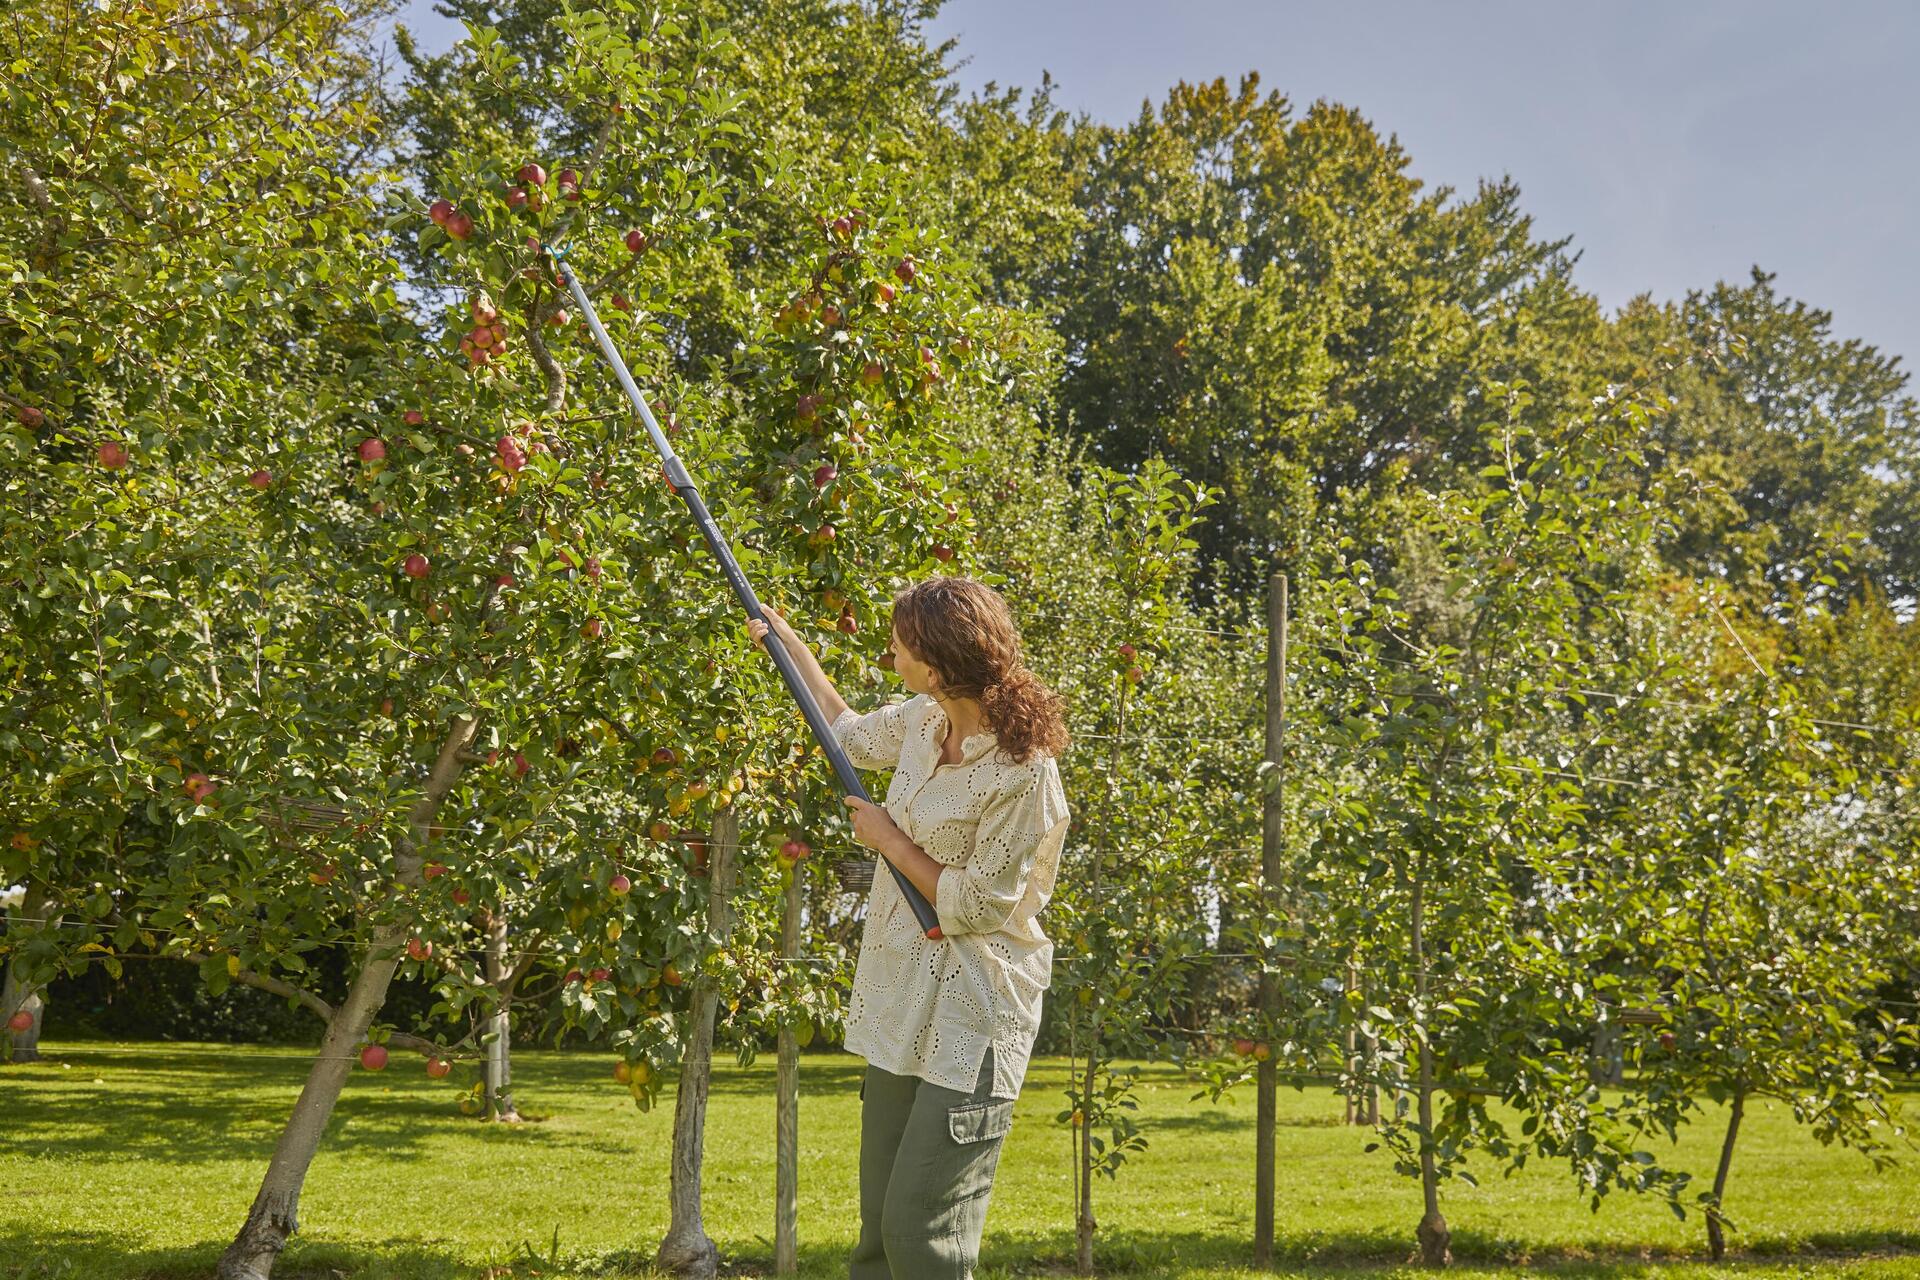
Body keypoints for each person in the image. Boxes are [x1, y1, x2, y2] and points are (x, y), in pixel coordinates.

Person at [748, 575, 1071, 1280]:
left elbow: (983, 904)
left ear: (936, 666)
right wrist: (788, 644)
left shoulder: (1024, 775)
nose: (889, 658)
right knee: (876, 1238)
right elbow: (846, 733)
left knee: (922, 1236)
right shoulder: (924, 724)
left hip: (974, 1014)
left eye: (897, 649)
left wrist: (891, 843)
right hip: (902, 1005)